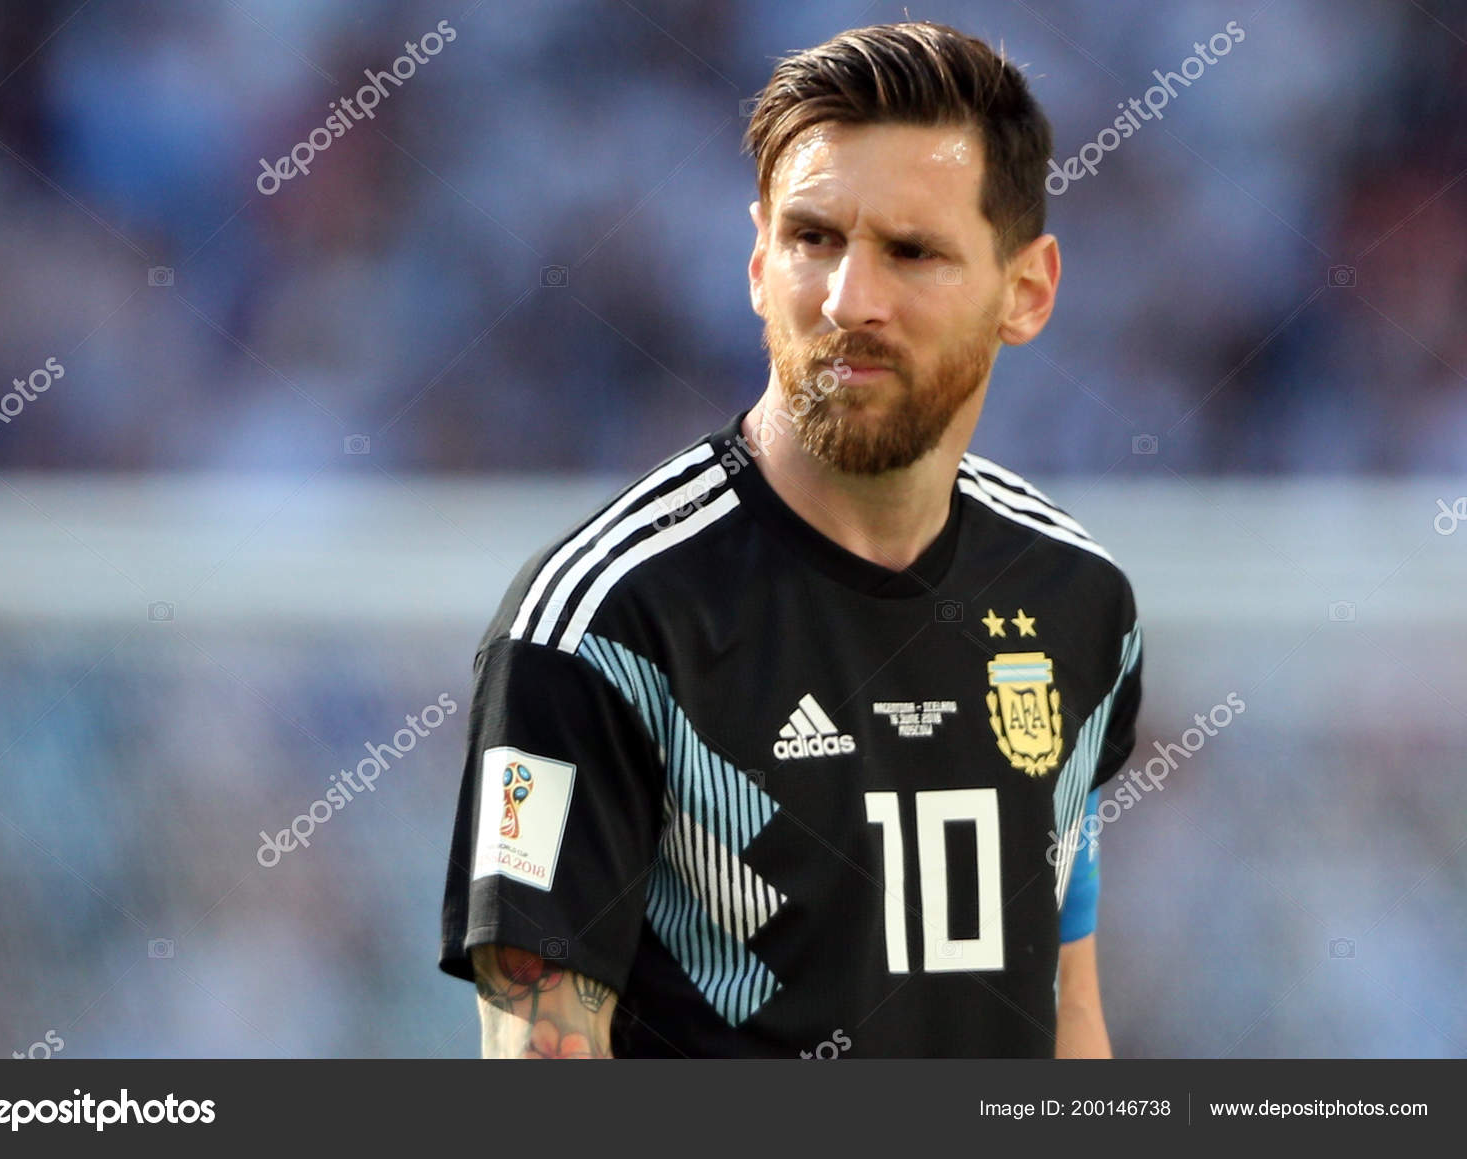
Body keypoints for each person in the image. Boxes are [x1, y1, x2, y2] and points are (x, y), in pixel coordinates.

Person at [439, 20, 1141, 1058]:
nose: (851, 300)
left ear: (1025, 291)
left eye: (912, 252)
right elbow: (541, 1056)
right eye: (814, 238)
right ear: (760, 260)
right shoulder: (601, 624)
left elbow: (1065, 1003)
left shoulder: (1077, 597)